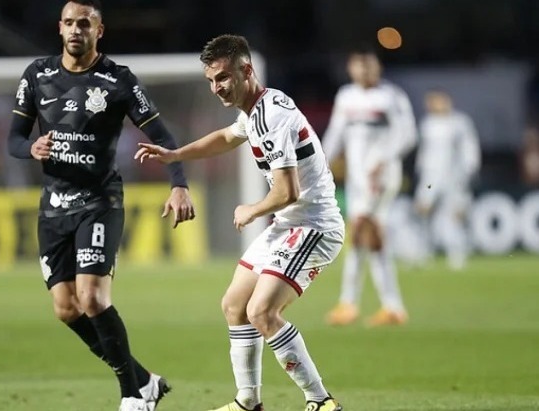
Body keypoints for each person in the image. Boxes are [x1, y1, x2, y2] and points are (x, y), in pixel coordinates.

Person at [136, 34, 344, 411]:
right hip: (288, 223)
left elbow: (289, 191)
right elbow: (225, 137)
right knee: (234, 304)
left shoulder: (273, 116)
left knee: (262, 312)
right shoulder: (255, 111)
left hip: (313, 226)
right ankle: (248, 401)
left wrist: (251, 209)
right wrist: (175, 154)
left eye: (222, 78)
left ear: (246, 70)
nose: (216, 88)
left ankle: (321, 402)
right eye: (211, 81)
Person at [6, 1, 195, 411]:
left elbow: (163, 135)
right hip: (53, 205)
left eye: (85, 24)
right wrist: (31, 147)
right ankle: (145, 380)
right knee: (66, 308)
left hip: (99, 202)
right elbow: (14, 140)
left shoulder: (118, 80)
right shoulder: (37, 76)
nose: (77, 30)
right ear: (60, 28)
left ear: (99, 31)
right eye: (70, 23)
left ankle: (132, 394)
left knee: (92, 299)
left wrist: (178, 185)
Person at [321, 46, 416, 327]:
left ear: (378, 68)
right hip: (357, 179)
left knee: (361, 230)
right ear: (351, 68)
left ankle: (351, 303)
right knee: (368, 239)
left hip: (382, 176)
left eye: (369, 66)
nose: (365, 71)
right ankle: (390, 307)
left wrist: (384, 159)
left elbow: (409, 134)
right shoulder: (346, 96)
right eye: (359, 66)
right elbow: (336, 133)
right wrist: (322, 162)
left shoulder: (391, 97)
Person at [413, 90, 480, 270]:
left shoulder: (460, 123)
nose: (434, 105)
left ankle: (457, 255)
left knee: (455, 215)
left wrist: (469, 170)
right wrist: (419, 170)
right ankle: (424, 253)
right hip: (430, 177)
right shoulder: (427, 124)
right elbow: (424, 151)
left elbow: (470, 149)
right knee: (423, 212)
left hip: (454, 176)